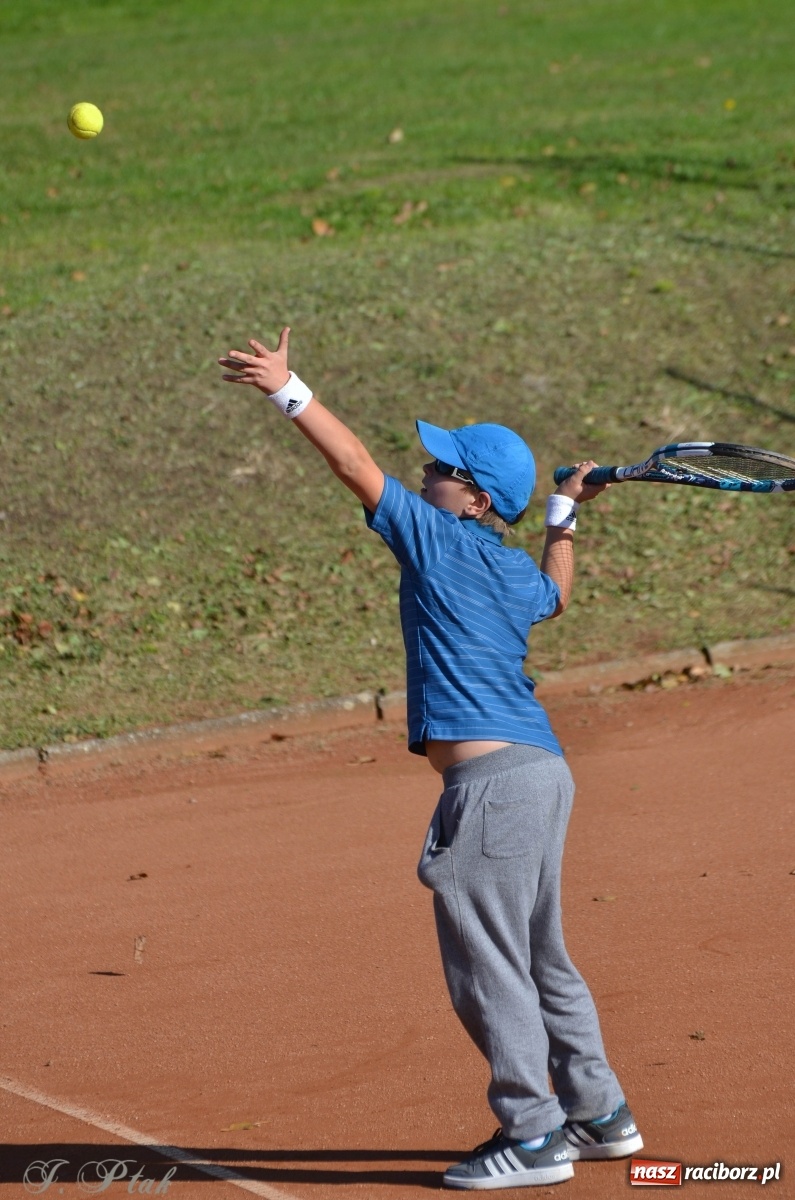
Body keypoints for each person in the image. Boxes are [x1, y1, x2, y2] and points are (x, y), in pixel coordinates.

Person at [219, 328, 644, 1190]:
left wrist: (285, 387)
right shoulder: (507, 566)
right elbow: (556, 594)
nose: (426, 475)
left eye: (443, 470)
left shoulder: (437, 539)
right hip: (541, 774)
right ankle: (599, 1116)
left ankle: (532, 1137)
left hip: (493, 788)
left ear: (475, 501)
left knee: (489, 967)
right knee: (536, 952)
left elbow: (351, 462)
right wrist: (563, 513)